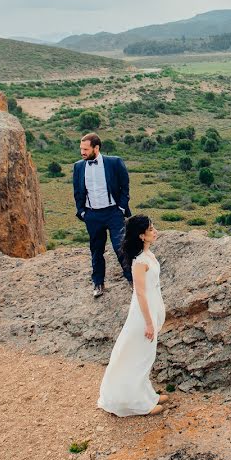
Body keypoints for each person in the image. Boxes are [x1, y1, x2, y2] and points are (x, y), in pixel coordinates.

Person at [97, 215, 168, 416]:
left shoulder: (149, 256)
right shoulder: (140, 262)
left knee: (146, 355)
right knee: (139, 355)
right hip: (142, 313)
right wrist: (148, 322)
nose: (155, 231)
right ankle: (136, 403)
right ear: (141, 235)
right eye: (151, 229)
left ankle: (147, 395)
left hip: (151, 309)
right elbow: (140, 292)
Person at [72, 133, 132, 298]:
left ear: (96, 148)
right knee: (96, 251)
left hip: (113, 212)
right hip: (93, 215)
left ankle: (132, 279)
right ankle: (98, 284)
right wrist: (83, 212)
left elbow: (125, 186)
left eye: (85, 149)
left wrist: (121, 208)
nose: (82, 152)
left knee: (120, 247)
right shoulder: (78, 167)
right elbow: (77, 192)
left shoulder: (114, 162)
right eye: (81, 149)